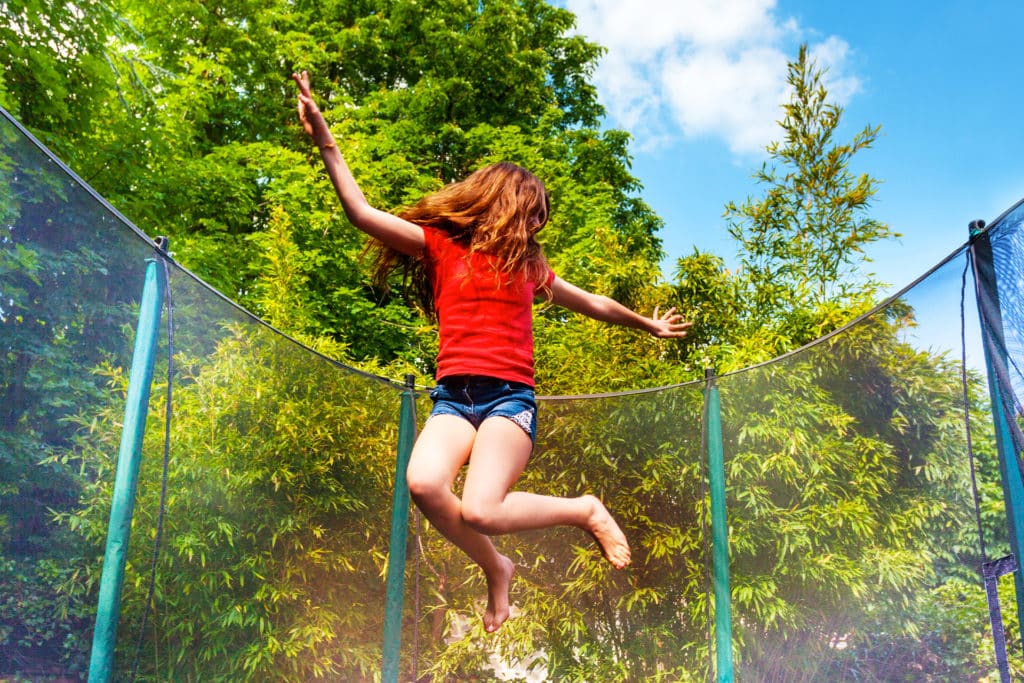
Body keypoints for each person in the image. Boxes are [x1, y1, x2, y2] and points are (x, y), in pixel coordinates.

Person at [292, 71, 690, 633]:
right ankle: (496, 567)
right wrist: (326, 142)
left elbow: (593, 302)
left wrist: (645, 325)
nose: (535, 226)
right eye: (530, 214)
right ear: (501, 202)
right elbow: (361, 213)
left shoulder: (531, 268)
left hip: (508, 399)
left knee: (482, 507)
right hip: (453, 398)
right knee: (425, 485)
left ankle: (584, 509)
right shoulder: (440, 245)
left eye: (539, 220)